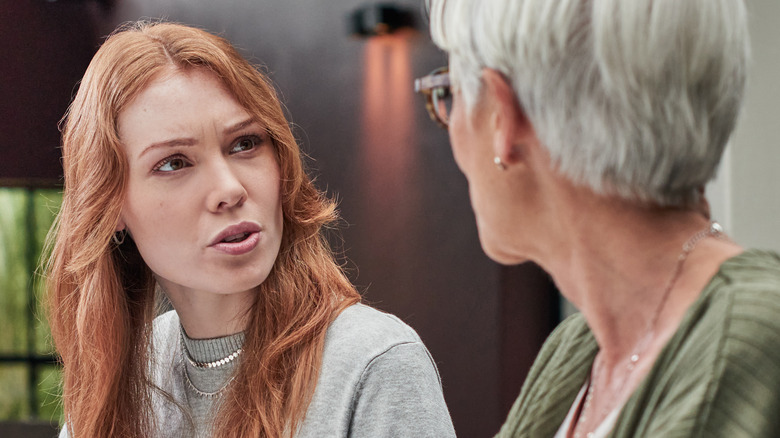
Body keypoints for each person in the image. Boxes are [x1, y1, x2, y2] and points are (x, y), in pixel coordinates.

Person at [47, 21, 455, 438]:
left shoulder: (373, 363)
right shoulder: (123, 379)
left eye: (244, 143)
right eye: (174, 163)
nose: (229, 189)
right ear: (110, 205)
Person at [416, 0, 780, 437]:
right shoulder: (576, 350)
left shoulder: (749, 344)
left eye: (449, 94)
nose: (451, 125)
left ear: (503, 116)